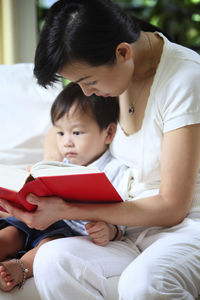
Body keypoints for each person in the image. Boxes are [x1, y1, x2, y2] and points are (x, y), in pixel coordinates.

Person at [0, 0, 200, 299]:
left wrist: (66, 209)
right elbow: (60, 129)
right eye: (77, 82)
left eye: (88, 81)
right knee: (53, 259)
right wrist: (46, 176)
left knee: (143, 284)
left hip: (183, 228)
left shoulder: (184, 80)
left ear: (123, 52)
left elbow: (172, 208)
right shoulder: (117, 79)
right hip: (124, 229)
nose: (86, 91)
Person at [0, 82, 129, 292]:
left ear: (108, 133)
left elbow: (123, 220)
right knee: (11, 234)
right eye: (60, 133)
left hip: (69, 234)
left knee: (49, 246)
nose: (67, 142)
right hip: (36, 222)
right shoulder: (57, 166)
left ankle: (18, 268)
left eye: (76, 133)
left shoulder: (115, 171)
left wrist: (110, 231)